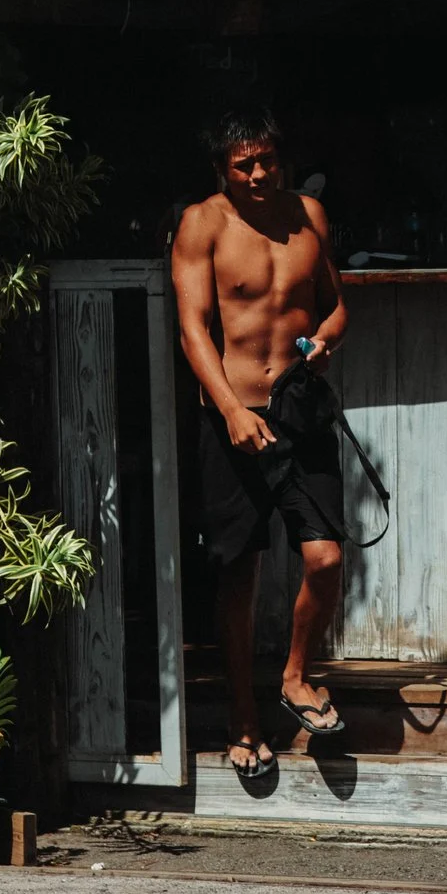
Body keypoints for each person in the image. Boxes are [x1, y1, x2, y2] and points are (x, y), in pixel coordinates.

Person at [170, 110, 351, 780]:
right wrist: (227, 410)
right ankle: (243, 715)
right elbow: (192, 329)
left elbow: (335, 301)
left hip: (301, 412)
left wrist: (327, 338)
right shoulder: (203, 223)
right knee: (238, 572)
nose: (256, 174)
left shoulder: (308, 215)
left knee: (326, 556)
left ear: (283, 158)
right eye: (243, 164)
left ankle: (296, 675)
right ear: (223, 169)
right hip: (234, 415)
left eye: (266, 161)